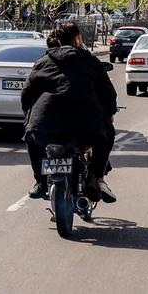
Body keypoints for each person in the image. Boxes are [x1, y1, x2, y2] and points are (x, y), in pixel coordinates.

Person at [21, 20, 118, 203]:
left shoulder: (43, 62)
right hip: (87, 127)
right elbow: (108, 93)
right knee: (107, 134)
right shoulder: (90, 61)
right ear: (77, 38)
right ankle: (97, 178)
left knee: (31, 136)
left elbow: (27, 94)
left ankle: (41, 182)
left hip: (46, 126)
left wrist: (29, 116)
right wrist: (110, 113)